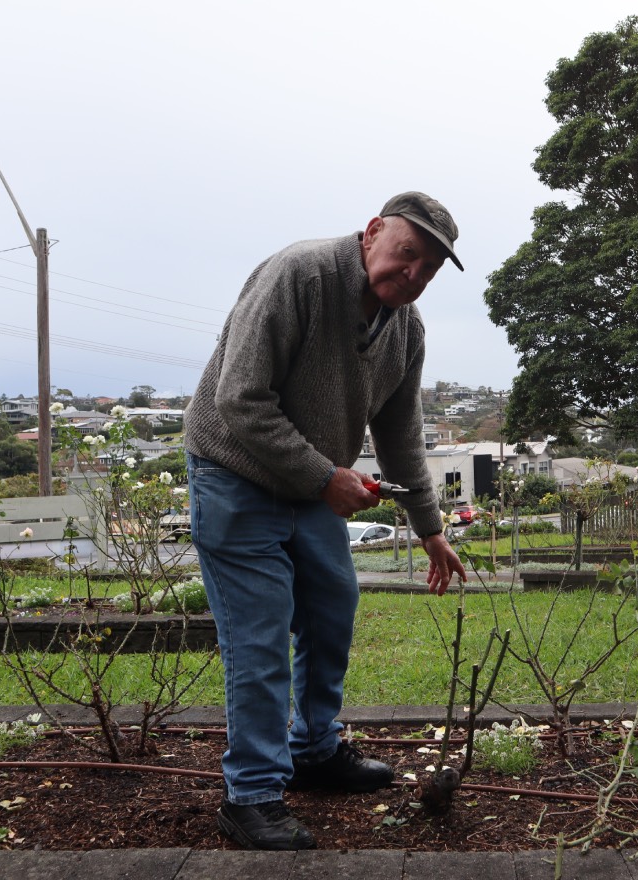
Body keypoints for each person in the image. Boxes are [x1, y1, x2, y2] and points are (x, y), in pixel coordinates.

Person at [183, 192, 469, 850]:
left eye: (428, 269)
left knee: (333, 606)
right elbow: (239, 398)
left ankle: (313, 749)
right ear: (373, 234)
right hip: (233, 472)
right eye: (407, 253)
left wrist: (429, 528)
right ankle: (251, 794)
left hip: (309, 485)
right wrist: (325, 477)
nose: (414, 274)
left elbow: (400, 437)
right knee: (259, 642)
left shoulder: (405, 328)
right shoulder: (300, 275)